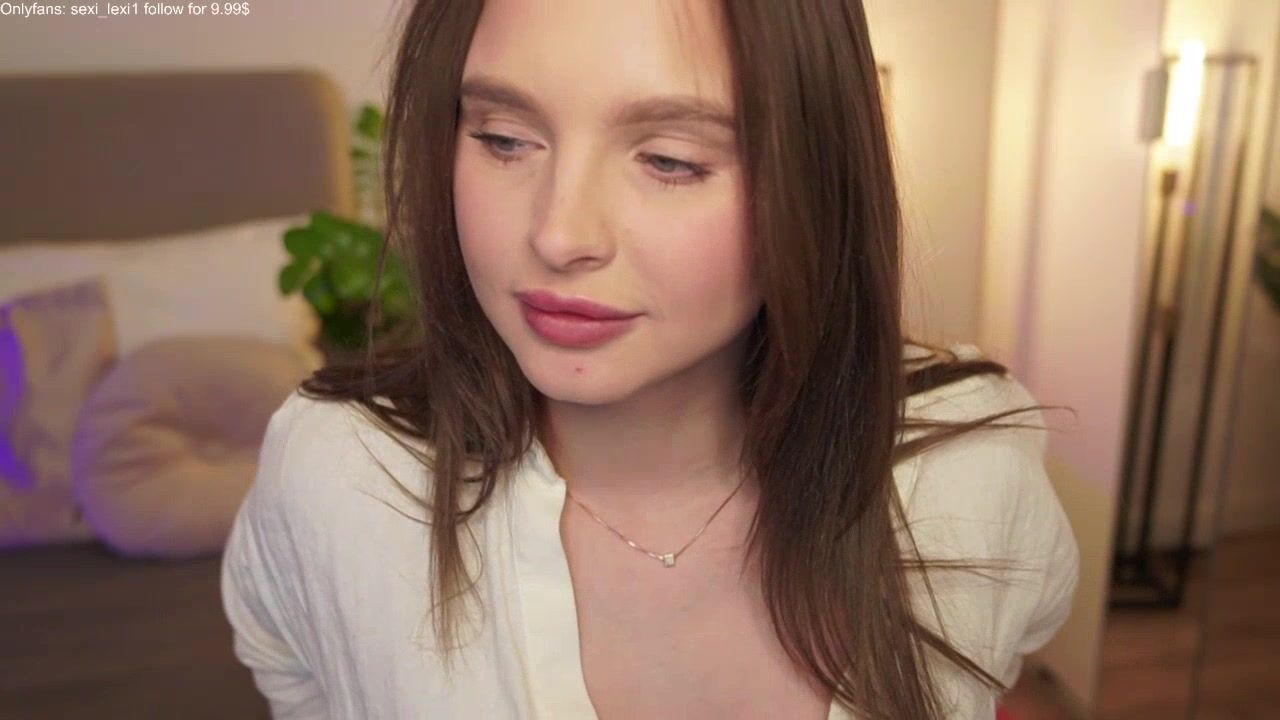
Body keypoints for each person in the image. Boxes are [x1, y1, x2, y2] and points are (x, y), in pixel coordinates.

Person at [220, 1, 1081, 718]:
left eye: (671, 161)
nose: (559, 234)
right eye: (504, 139)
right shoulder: (338, 475)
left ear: (813, 177)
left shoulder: (966, 468)